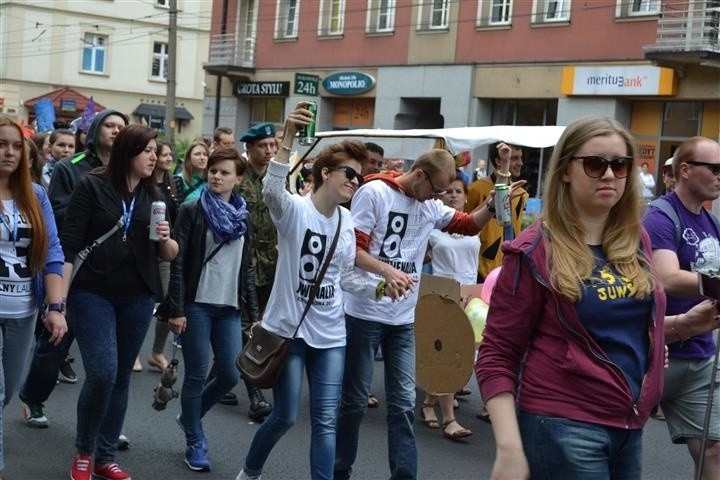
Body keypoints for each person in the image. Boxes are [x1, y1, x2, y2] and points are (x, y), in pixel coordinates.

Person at [476, 116, 670, 479]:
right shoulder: (533, 250)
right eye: (596, 164)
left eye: (621, 164)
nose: (610, 174)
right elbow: (497, 352)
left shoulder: (636, 241)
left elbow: (624, 324)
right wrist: (508, 448)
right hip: (562, 425)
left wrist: (675, 331)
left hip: (629, 425)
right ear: (566, 170)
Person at [236, 103, 394, 480]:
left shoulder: (346, 221)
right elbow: (271, 188)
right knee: (285, 417)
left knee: (325, 422)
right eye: (350, 174)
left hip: (330, 336)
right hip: (288, 333)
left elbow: (343, 279)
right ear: (326, 173)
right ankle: (250, 471)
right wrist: (288, 134)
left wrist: (382, 286)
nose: (356, 182)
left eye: (361, 177)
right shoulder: (295, 211)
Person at [334, 145, 501, 480]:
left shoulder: (429, 205)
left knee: (402, 405)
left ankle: (404, 475)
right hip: (365, 313)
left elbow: (467, 224)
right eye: (436, 190)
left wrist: (492, 205)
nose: (438, 198)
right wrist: (388, 272)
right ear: (420, 175)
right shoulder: (375, 193)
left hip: (404, 320)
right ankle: (340, 471)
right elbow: (355, 252)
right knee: (353, 404)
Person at [62, 125, 178, 480]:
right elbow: (68, 244)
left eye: (156, 151)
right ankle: (84, 450)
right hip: (91, 292)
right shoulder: (91, 186)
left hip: (137, 296)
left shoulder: (155, 196)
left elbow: (171, 254)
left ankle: (105, 456)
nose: (154, 157)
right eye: (147, 150)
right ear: (128, 151)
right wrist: (57, 303)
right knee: (102, 372)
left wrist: (165, 240)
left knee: (121, 377)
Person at [20, 109, 129, 429]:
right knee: (56, 342)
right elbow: (58, 214)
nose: (115, 131)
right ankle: (33, 395)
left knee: (109, 360)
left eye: (121, 127)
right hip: (75, 268)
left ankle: (107, 425)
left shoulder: (128, 170)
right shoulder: (72, 167)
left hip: (113, 275)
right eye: (109, 125)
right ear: (95, 131)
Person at [168, 147, 258, 472]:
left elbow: (246, 268)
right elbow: (177, 262)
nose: (217, 176)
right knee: (195, 375)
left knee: (230, 374)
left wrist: (254, 315)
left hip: (230, 308)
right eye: (214, 171)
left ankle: (189, 416)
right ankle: (195, 440)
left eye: (225, 172)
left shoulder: (243, 217)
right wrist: (176, 308)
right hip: (197, 305)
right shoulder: (193, 210)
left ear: (239, 179)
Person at [643, 137, 720, 480]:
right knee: (612, 444)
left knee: (714, 450)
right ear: (685, 170)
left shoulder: (711, 221)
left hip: (700, 355)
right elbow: (668, 278)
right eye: (714, 168)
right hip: (650, 351)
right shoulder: (660, 216)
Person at [0, 116, 66, 478]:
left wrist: (55, 307)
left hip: (23, 309)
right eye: (0, 144)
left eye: (15, 146)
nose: (8, 152)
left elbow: (52, 251)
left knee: (7, 392)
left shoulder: (36, 195)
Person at [420, 176, 476, 440]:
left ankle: (429, 404)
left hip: (470, 295)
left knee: (462, 356)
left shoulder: (475, 223)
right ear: (441, 197)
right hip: (441, 294)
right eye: (448, 192)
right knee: (447, 355)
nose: (453, 195)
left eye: (458, 191)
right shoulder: (431, 227)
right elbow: (415, 255)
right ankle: (449, 420)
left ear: (465, 196)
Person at [234, 122, 279, 420]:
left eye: (273, 145)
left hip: (272, 260)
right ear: (249, 149)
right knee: (247, 324)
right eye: (263, 146)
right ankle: (254, 392)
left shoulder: (279, 180)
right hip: (244, 259)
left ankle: (218, 377)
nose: (269, 151)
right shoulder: (239, 180)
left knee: (264, 322)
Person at [466, 142, 528, 282]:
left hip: (508, 267)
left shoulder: (522, 193)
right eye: (514, 158)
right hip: (476, 269)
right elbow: (463, 226)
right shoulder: (476, 189)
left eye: (520, 158)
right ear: (499, 160)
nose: (520, 163)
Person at [147, 141, 184, 372]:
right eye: (164, 154)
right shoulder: (144, 182)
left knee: (167, 300)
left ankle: (157, 351)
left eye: (171, 155)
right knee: (140, 302)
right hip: (142, 250)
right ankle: (131, 353)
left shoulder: (172, 183)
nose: (169, 159)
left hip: (164, 250)